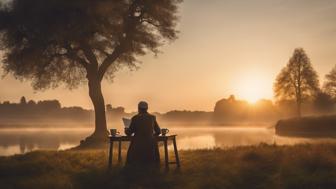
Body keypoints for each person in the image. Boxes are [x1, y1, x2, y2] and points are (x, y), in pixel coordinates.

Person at [125, 101, 161, 167]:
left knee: (131, 150)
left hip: (138, 144)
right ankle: (154, 166)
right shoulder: (152, 117)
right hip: (150, 144)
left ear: (138, 108)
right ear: (147, 108)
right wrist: (152, 137)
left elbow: (129, 133)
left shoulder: (135, 118)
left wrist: (126, 129)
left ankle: (130, 167)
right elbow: (158, 131)